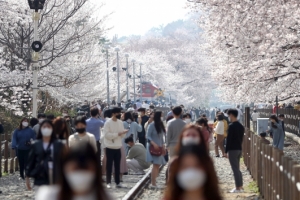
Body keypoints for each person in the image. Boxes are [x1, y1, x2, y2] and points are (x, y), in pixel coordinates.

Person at [35, 143, 112, 200]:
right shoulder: (48, 196)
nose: (81, 174)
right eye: (75, 169)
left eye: (86, 169)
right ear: (64, 168)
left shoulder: (106, 197)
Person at [26, 120, 65, 189]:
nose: (46, 128)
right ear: (40, 129)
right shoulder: (36, 144)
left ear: (52, 129)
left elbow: (64, 161)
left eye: (48, 127)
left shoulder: (59, 144)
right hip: (40, 175)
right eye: (44, 127)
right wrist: (27, 176)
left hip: (56, 175)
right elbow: (31, 161)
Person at [103, 107, 128, 189]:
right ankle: (108, 182)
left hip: (118, 146)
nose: (119, 114)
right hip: (109, 146)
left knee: (118, 165)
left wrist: (123, 133)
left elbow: (122, 135)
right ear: (113, 113)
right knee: (109, 165)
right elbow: (106, 135)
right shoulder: (108, 123)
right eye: (118, 113)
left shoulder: (120, 122)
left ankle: (117, 182)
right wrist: (118, 134)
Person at [226, 109, 245, 193]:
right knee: (237, 168)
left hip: (232, 149)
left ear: (231, 115)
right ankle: (240, 186)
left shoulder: (231, 126)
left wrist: (226, 151)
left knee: (235, 169)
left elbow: (229, 140)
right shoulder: (241, 126)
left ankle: (237, 187)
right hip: (239, 148)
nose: (228, 117)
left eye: (229, 115)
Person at [146, 111, 167, 188]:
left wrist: (163, 146)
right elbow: (148, 136)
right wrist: (154, 143)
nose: (162, 117)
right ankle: (153, 183)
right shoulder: (151, 125)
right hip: (154, 147)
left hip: (160, 147)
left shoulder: (161, 125)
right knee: (156, 165)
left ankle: (154, 182)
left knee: (157, 165)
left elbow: (162, 137)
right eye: (161, 115)